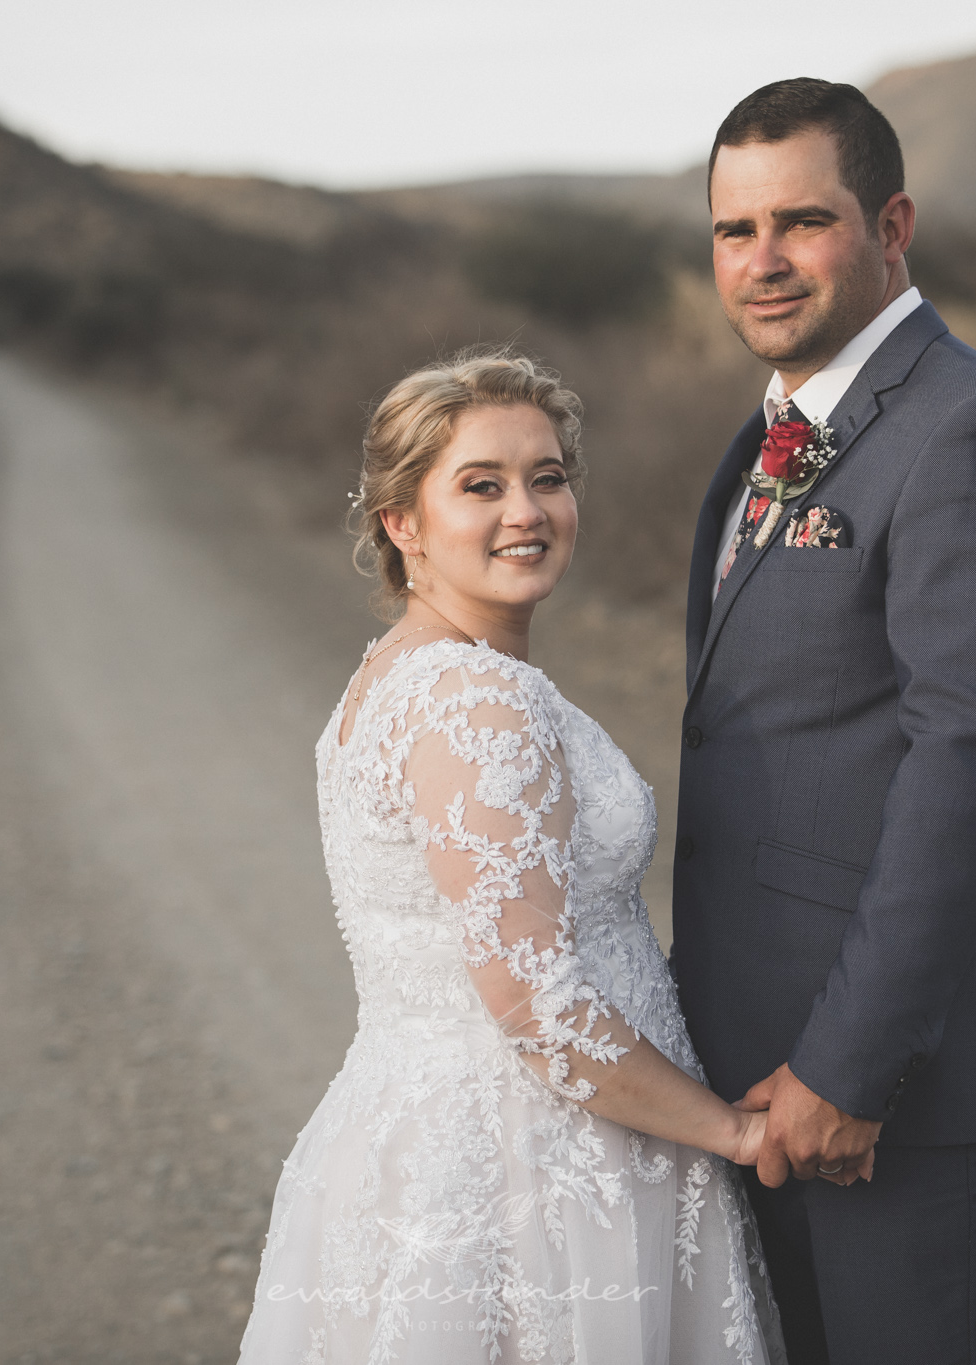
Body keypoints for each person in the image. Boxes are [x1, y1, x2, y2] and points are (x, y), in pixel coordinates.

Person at [239, 350, 787, 1363]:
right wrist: (732, 1133)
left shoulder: (399, 674)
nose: (526, 511)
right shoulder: (475, 699)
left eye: (547, 477)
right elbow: (536, 1005)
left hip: (439, 1135)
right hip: (534, 1169)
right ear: (403, 523)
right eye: (480, 486)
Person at [670, 79, 976, 1365]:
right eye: (733, 231)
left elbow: (970, 770)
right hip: (753, 1077)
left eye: (800, 222)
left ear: (890, 226)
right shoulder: (768, 434)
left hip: (899, 1093)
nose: (762, 261)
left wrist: (847, 1070)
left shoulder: (972, 433)